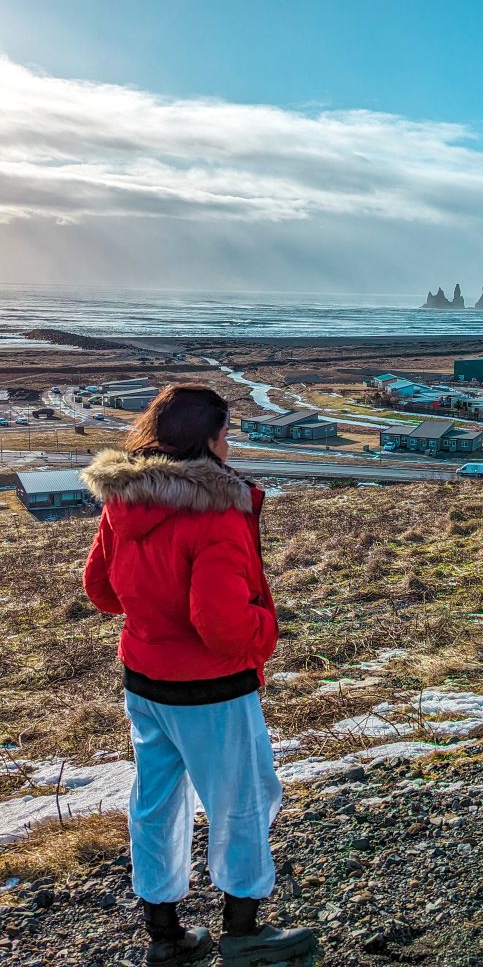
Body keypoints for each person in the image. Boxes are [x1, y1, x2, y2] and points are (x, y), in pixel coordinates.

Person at [82, 384, 317, 967]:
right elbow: (220, 623)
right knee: (243, 800)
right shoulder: (215, 512)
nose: (230, 443)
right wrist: (265, 629)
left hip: (145, 679)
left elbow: (102, 590)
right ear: (208, 441)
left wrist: (152, 612)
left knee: (156, 802)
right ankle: (244, 934)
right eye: (226, 433)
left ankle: (166, 937)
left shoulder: (125, 501)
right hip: (212, 687)